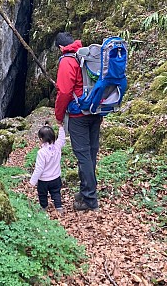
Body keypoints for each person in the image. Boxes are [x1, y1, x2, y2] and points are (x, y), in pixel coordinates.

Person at [54, 32, 101, 212]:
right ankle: (85, 192)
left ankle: (90, 199)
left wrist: (59, 115)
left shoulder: (67, 61)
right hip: (95, 110)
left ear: (60, 47)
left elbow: (64, 92)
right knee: (90, 154)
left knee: (83, 155)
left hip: (78, 115)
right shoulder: (86, 55)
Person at [29, 123, 66, 213]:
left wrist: (32, 181)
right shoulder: (57, 147)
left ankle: (44, 207)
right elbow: (62, 139)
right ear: (53, 137)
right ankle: (59, 207)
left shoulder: (41, 152)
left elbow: (39, 168)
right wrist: (61, 127)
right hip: (56, 178)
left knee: (42, 194)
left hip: (44, 180)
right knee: (56, 192)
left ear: (41, 139)